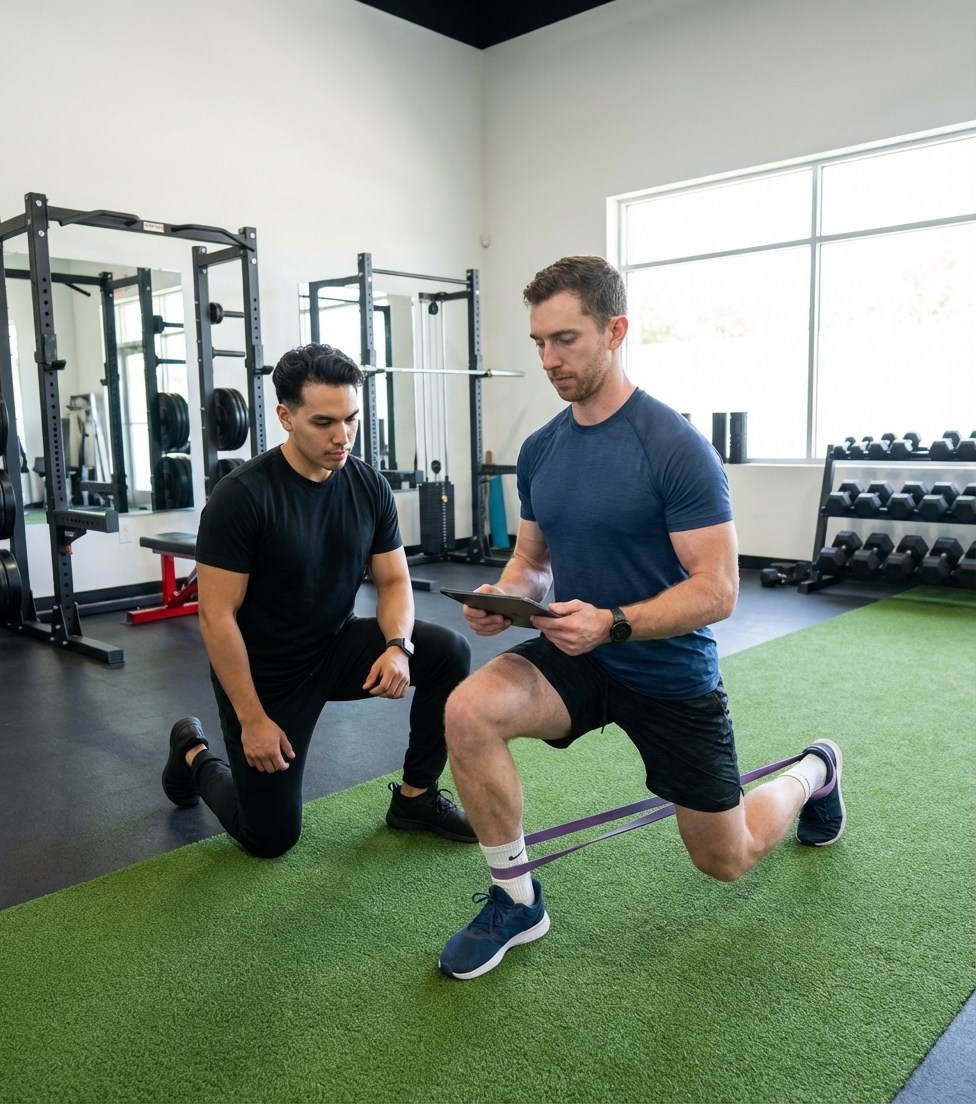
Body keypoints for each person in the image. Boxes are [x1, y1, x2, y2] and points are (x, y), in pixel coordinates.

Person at [437, 256, 845, 980]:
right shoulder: (542, 450)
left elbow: (717, 591)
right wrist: (504, 599)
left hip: (663, 666)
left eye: (565, 339)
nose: (548, 359)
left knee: (727, 858)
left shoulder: (674, 449)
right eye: (538, 342)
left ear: (615, 330)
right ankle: (517, 900)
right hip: (576, 651)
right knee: (469, 711)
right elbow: (532, 558)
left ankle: (813, 770)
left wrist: (614, 623)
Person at [161, 343, 476, 857]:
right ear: (285, 416)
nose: (342, 436)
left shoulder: (368, 485)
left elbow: (394, 582)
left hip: (333, 645)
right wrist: (252, 719)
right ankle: (194, 754)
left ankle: (415, 798)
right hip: (267, 676)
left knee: (447, 651)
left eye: (351, 419)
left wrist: (398, 644)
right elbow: (217, 617)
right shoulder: (241, 498)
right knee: (269, 837)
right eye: (324, 422)